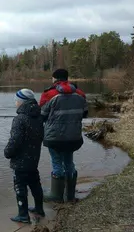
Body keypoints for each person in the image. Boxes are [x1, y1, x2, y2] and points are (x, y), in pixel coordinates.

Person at [39, 69, 88, 203]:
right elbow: (84, 113)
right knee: (69, 162)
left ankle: (56, 196)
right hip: (73, 137)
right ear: (67, 78)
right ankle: (70, 196)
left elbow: (42, 116)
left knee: (56, 163)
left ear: (54, 79)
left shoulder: (48, 94)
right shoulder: (80, 94)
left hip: (54, 137)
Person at [4, 89, 45, 224]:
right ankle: (39, 209)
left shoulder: (19, 119)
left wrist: (7, 152)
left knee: (20, 188)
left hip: (20, 162)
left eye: (16, 100)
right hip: (34, 159)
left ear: (21, 102)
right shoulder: (39, 116)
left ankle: (23, 216)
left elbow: (15, 140)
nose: (15, 103)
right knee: (35, 184)